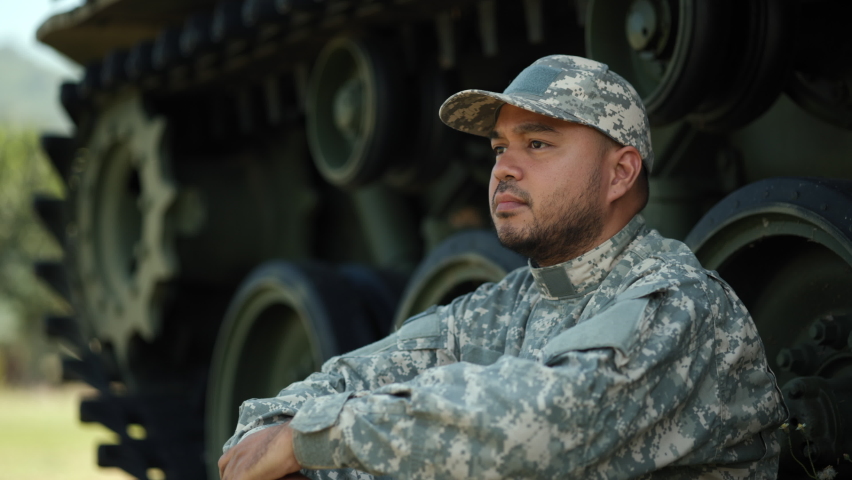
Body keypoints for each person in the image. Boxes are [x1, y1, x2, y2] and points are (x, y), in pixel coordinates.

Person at [218, 55, 787, 480]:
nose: (504, 168)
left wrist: (316, 437)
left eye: (537, 144)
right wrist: (282, 440)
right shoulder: (497, 308)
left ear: (620, 174)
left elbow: (548, 424)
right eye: (498, 148)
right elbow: (283, 410)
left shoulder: (679, 303)